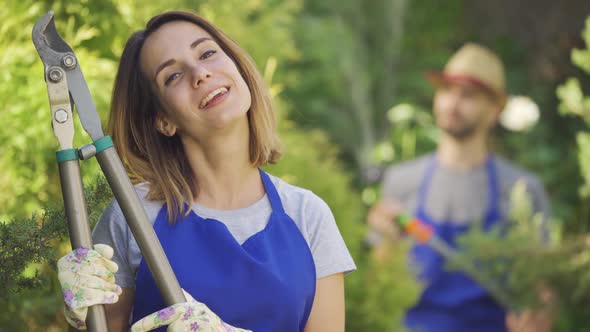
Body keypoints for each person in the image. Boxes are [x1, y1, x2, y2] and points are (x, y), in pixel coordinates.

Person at [56, 10, 355, 332]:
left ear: (239, 68)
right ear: (163, 120)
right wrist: (82, 318)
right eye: (172, 76)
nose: (200, 73)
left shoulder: (308, 216)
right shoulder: (132, 216)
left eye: (208, 53)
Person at [366, 43, 552, 332]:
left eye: (468, 95)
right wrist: (386, 241)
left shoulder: (521, 190)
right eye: (446, 90)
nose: (452, 103)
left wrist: (536, 318)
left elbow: (542, 289)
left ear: (495, 109)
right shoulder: (401, 181)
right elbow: (379, 288)